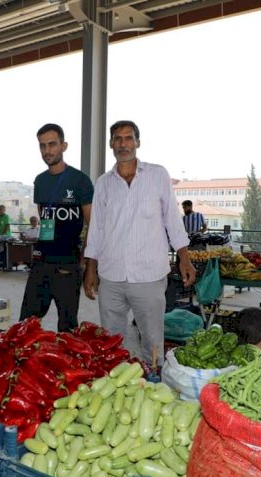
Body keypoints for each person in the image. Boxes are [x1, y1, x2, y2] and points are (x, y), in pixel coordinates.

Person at [84, 120, 196, 366]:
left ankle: (154, 382)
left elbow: (172, 219)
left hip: (149, 274)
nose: (123, 144)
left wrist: (184, 257)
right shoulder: (104, 183)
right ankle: (117, 386)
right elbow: (97, 229)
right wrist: (91, 269)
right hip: (111, 275)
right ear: (111, 144)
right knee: (111, 340)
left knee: (152, 338)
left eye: (128, 138)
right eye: (118, 139)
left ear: (137, 142)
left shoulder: (157, 175)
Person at [19, 123, 94, 332]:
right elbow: (46, 220)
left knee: (67, 328)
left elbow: (92, 225)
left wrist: (84, 261)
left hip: (68, 264)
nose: (47, 151)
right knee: (26, 323)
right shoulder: (40, 181)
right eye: (42, 146)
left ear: (64, 145)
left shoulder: (80, 181)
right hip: (41, 261)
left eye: (52, 144)